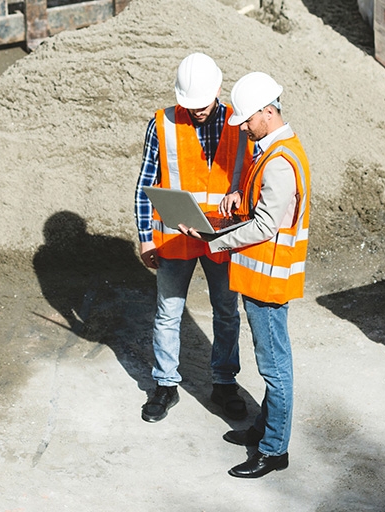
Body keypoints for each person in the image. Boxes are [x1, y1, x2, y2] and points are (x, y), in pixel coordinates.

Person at [179, 71, 310, 479]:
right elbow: (260, 208)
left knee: (274, 367)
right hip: (260, 274)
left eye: (248, 121)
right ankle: (264, 430)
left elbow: (266, 225)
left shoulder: (280, 162)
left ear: (268, 113)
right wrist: (238, 196)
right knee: (273, 363)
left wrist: (213, 239)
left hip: (268, 279)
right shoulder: (273, 151)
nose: (243, 128)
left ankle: (274, 450)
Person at [133, 52, 253, 423]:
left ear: (218, 89)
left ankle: (224, 382)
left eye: (202, 103)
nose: (197, 110)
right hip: (174, 236)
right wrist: (145, 238)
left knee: (226, 313)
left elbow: (252, 177)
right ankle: (165, 385)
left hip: (222, 235)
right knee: (168, 313)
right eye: (191, 104)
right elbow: (146, 184)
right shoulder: (162, 123)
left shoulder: (241, 121)